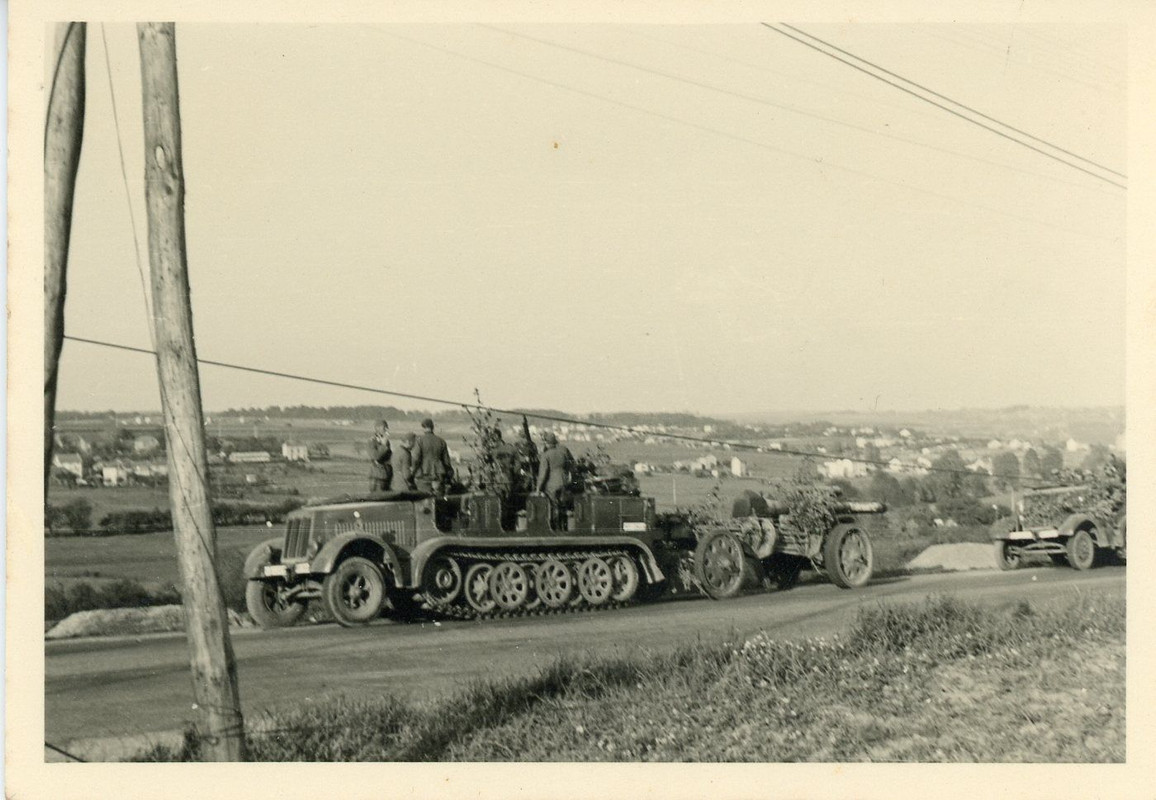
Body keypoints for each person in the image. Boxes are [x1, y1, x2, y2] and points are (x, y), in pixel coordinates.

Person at [409, 418, 454, 495]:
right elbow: (447, 462)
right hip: (438, 475)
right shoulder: (441, 441)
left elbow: (415, 459)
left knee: (424, 498)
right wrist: (448, 476)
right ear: (432, 427)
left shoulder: (420, 441)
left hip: (424, 475)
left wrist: (412, 472)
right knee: (438, 499)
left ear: (423, 427)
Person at [536, 431, 573, 509]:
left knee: (552, 507)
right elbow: (569, 466)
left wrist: (538, 489)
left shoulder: (545, 455)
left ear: (546, 443)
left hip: (551, 485)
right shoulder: (562, 453)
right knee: (562, 506)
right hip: (563, 482)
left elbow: (542, 474)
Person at [490, 427, 518, 497]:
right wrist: (514, 475)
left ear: (495, 437)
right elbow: (518, 465)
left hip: (498, 480)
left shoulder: (493, 451)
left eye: (492, 439)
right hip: (510, 479)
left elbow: (490, 468)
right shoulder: (512, 448)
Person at [515, 418, 539, 494]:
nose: (523, 440)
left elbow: (535, 456)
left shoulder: (532, 445)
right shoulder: (517, 445)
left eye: (524, 438)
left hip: (529, 468)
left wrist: (530, 459)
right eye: (522, 438)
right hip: (521, 468)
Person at [367, 420, 392, 493]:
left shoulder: (384, 440)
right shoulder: (372, 441)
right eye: (384, 427)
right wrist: (383, 445)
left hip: (386, 474)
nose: (387, 429)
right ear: (377, 428)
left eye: (387, 427)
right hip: (377, 475)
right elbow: (375, 456)